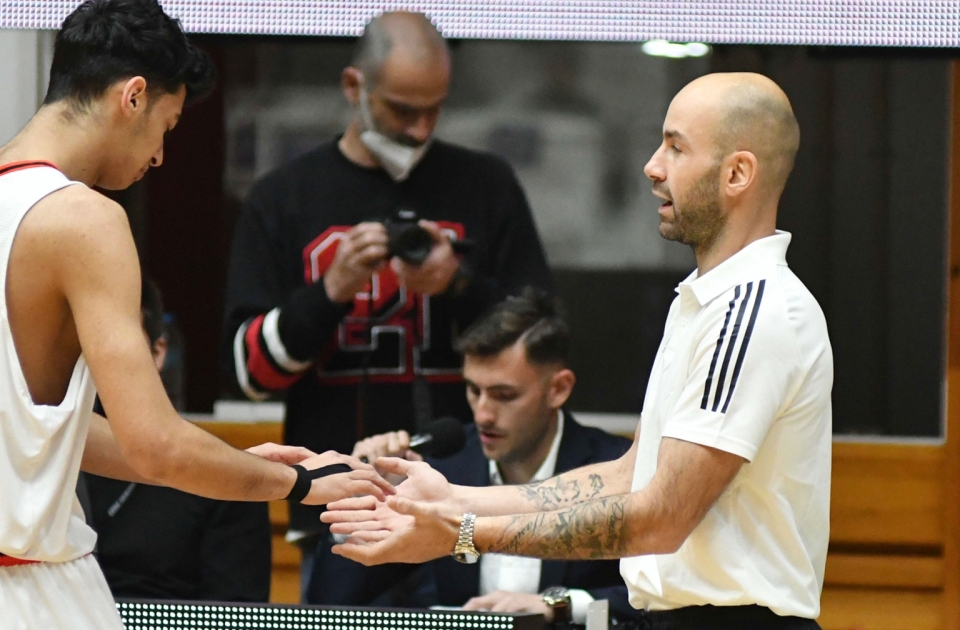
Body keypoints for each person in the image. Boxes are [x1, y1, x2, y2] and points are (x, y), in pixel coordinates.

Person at [0, 2, 392, 628]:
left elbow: (41, 431)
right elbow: (157, 446)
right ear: (133, 97)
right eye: (166, 126)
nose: (161, 156)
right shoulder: (83, 218)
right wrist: (298, 484)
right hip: (18, 586)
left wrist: (243, 466)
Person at [325, 72, 832, 630]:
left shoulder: (754, 310)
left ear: (737, 173)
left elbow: (660, 518)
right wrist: (456, 498)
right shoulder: (705, 301)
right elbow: (630, 476)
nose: (652, 166)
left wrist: (462, 532)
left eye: (676, 147)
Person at [221, 10, 553, 581]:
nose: (421, 129)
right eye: (403, 109)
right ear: (354, 87)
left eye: (435, 109)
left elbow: (544, 344)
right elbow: (249, 375)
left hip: (466, 500)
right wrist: (330, 292)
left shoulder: (486, 185)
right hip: (336, 504)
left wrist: (457, 285)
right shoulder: (284, 197)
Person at [307, 290, 638, 625]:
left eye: (504, 395)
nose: (482, 415)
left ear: (558, 389)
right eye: (473, 390)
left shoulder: (616, 468)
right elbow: (331, 604)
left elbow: (657, 598)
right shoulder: (443, 469)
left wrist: (560, 604)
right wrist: (364, 502)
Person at [84, 279, 271, 602]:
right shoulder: (39, 455)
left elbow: (237, 613)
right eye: (83, 340)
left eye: (117, 339)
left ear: (158, 352)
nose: (98, 355)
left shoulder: (221, 473)